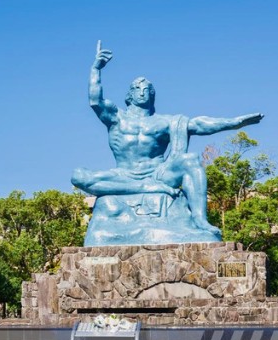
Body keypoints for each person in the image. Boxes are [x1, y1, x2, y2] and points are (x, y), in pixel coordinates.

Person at [71, 46, 263, 237]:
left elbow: (199, 124)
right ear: (129, 95)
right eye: (137, 88)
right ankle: (144, 188)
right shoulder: (116, 117)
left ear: (152, 95)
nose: (142, 92)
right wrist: (95, 69)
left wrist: (234, 123)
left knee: (190, 161)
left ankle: (199, 220)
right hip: (123, 175)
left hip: (157, 174)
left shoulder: (164, 122)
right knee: (78, 176)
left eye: (147, 89)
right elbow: (95, 100)